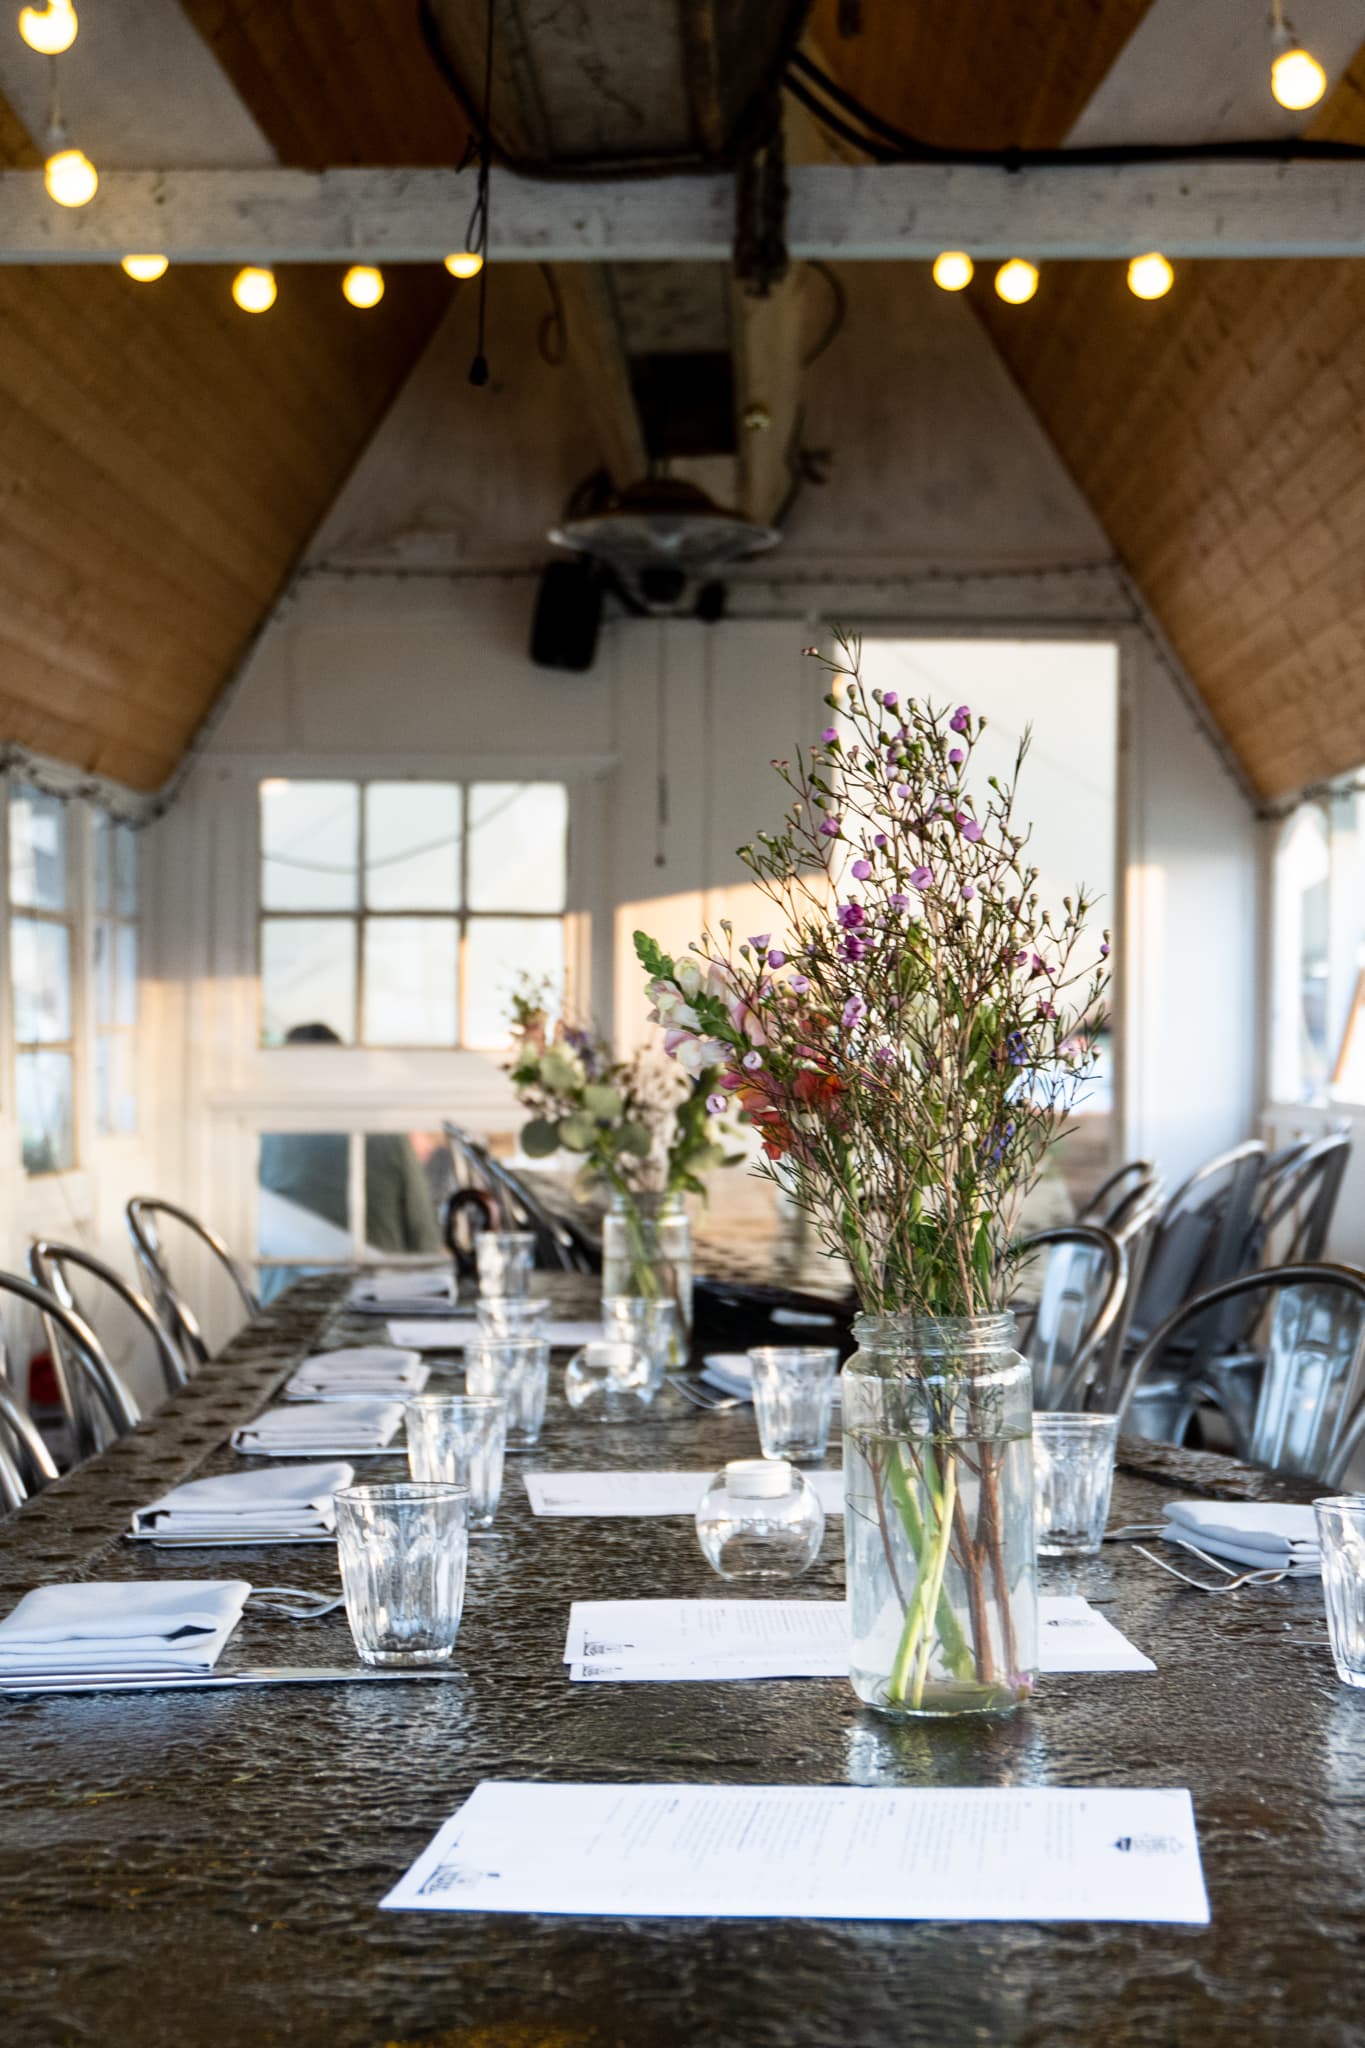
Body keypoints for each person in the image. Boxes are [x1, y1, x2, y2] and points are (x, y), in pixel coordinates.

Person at [259, 1024, 442, 1256]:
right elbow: (424, 1239)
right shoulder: (387, 1139)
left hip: (282, 1289)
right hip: (378, 1286)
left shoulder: (262, 1142)